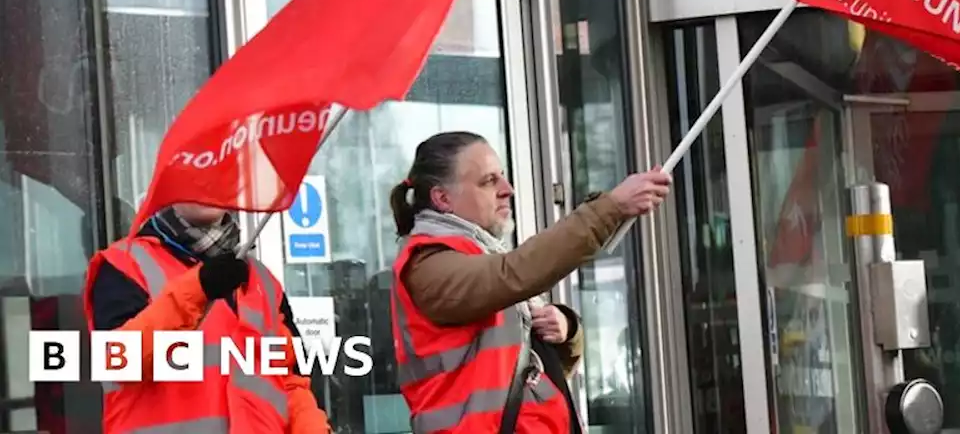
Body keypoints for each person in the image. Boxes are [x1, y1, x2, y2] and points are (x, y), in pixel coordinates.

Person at [389, 131, 671, 434]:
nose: (507, 189)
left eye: (503, 177)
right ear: (442, 198)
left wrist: (565, 332)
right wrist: (611, 207)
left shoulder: (479, 253)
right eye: (488, 181)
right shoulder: (427, 263)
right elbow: (513, 275)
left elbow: (523, 375)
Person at [84, 203, 331, 433]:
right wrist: (197, 290)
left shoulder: (262, 281)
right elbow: (119, 359)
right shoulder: (126, 264)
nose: (205, 191)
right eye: (192, 176)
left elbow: (291, 383)